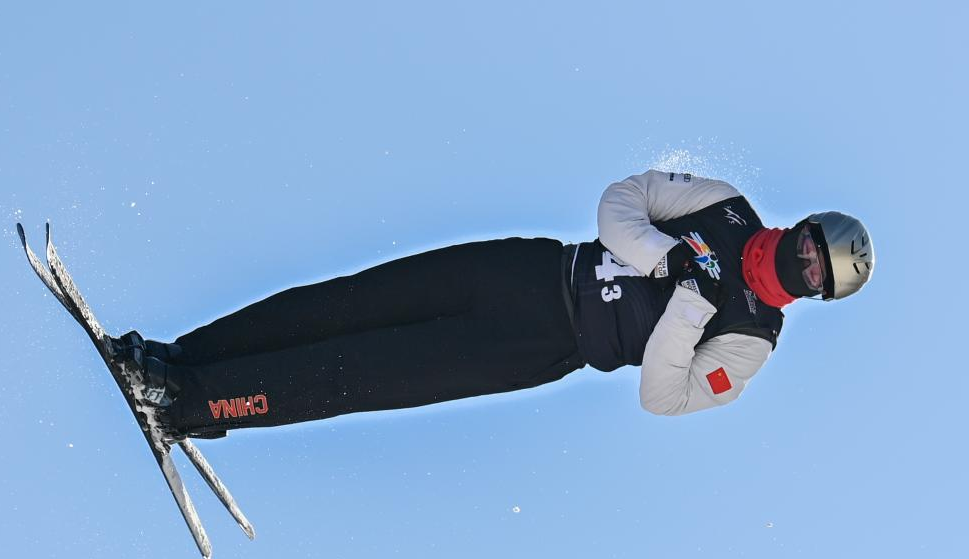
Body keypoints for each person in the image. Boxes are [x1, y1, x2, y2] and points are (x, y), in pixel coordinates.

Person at [107, 169, 875, 441]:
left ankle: (189, 405)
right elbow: (623, 198)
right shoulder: (728, 208)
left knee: (358, 371)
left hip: (537, 345)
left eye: (818, 275)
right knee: (342, 303)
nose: (805, 263)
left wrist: (688, 307)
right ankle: (179, 358)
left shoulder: (752, 339)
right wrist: (665, 256)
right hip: (529, 268)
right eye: (814, 245)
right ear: (805, 226)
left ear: (817, 294)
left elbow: (662, 398)